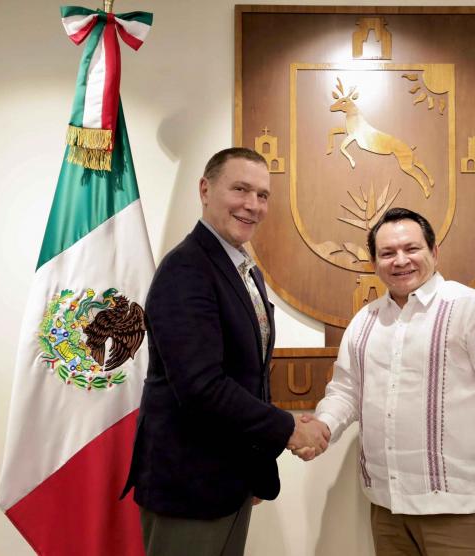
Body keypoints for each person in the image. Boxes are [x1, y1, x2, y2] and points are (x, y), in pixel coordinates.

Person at [121, 147, 329, 556]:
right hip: (190, 488)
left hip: (229, 481)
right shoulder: (187, 269)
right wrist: (287, 429)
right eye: (240, 189)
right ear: (205, 189)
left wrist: (254, 464)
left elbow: (247, 376)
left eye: (263, 195)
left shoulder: (242, 267)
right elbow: (202, 387)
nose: (253, 205)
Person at [304, 207, 475, 555]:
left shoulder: (471, 310)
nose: (401, 260)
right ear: (375, 262)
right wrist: (321, 428)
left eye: (411, 249)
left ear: (434, 252)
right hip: (387, 509)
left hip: (463, 513)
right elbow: (346, 392)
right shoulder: (365, 321)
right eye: (388, 253)